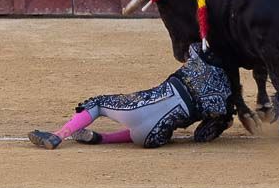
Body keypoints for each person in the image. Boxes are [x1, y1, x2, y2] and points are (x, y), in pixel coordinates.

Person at [28, 43, 233, 150]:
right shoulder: (225, 102)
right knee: (159, 127)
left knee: (97, 103)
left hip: (142, 107)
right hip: (152, 138)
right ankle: (101, 139)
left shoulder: (201, 55)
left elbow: (187, 48)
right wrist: (225, 119)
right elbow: (201, 137)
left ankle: (57, 135)